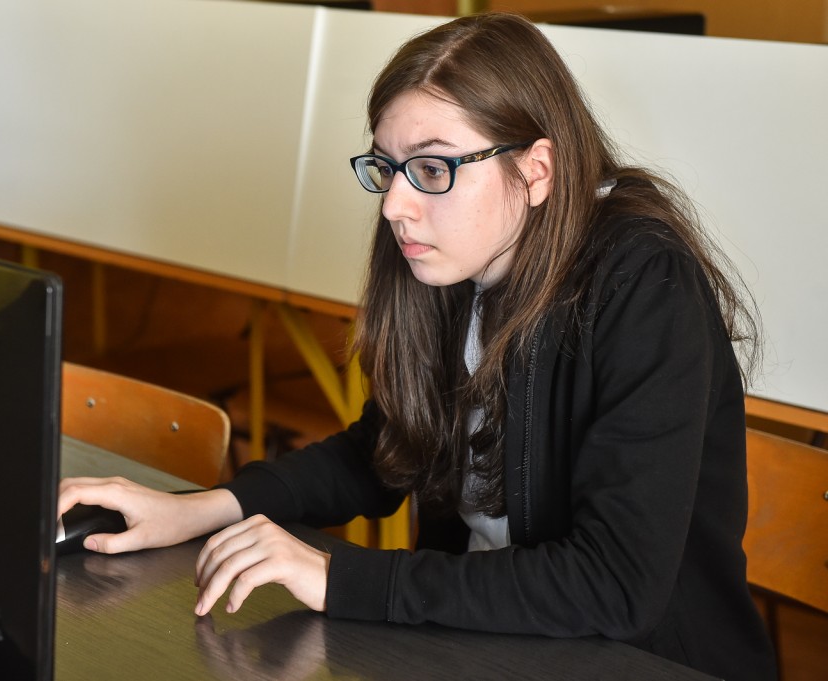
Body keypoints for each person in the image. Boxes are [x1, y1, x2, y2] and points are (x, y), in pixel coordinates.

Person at [58, 12, 776, 680]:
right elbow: (388, 450)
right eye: (388, 168)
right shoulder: (458, 262)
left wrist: (343, 579)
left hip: (639, 661)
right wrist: (208, 507)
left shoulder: (645, 284)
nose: (395, 206)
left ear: (536, 171)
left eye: (433, 169)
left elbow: (614, 584)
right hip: (486, 643)